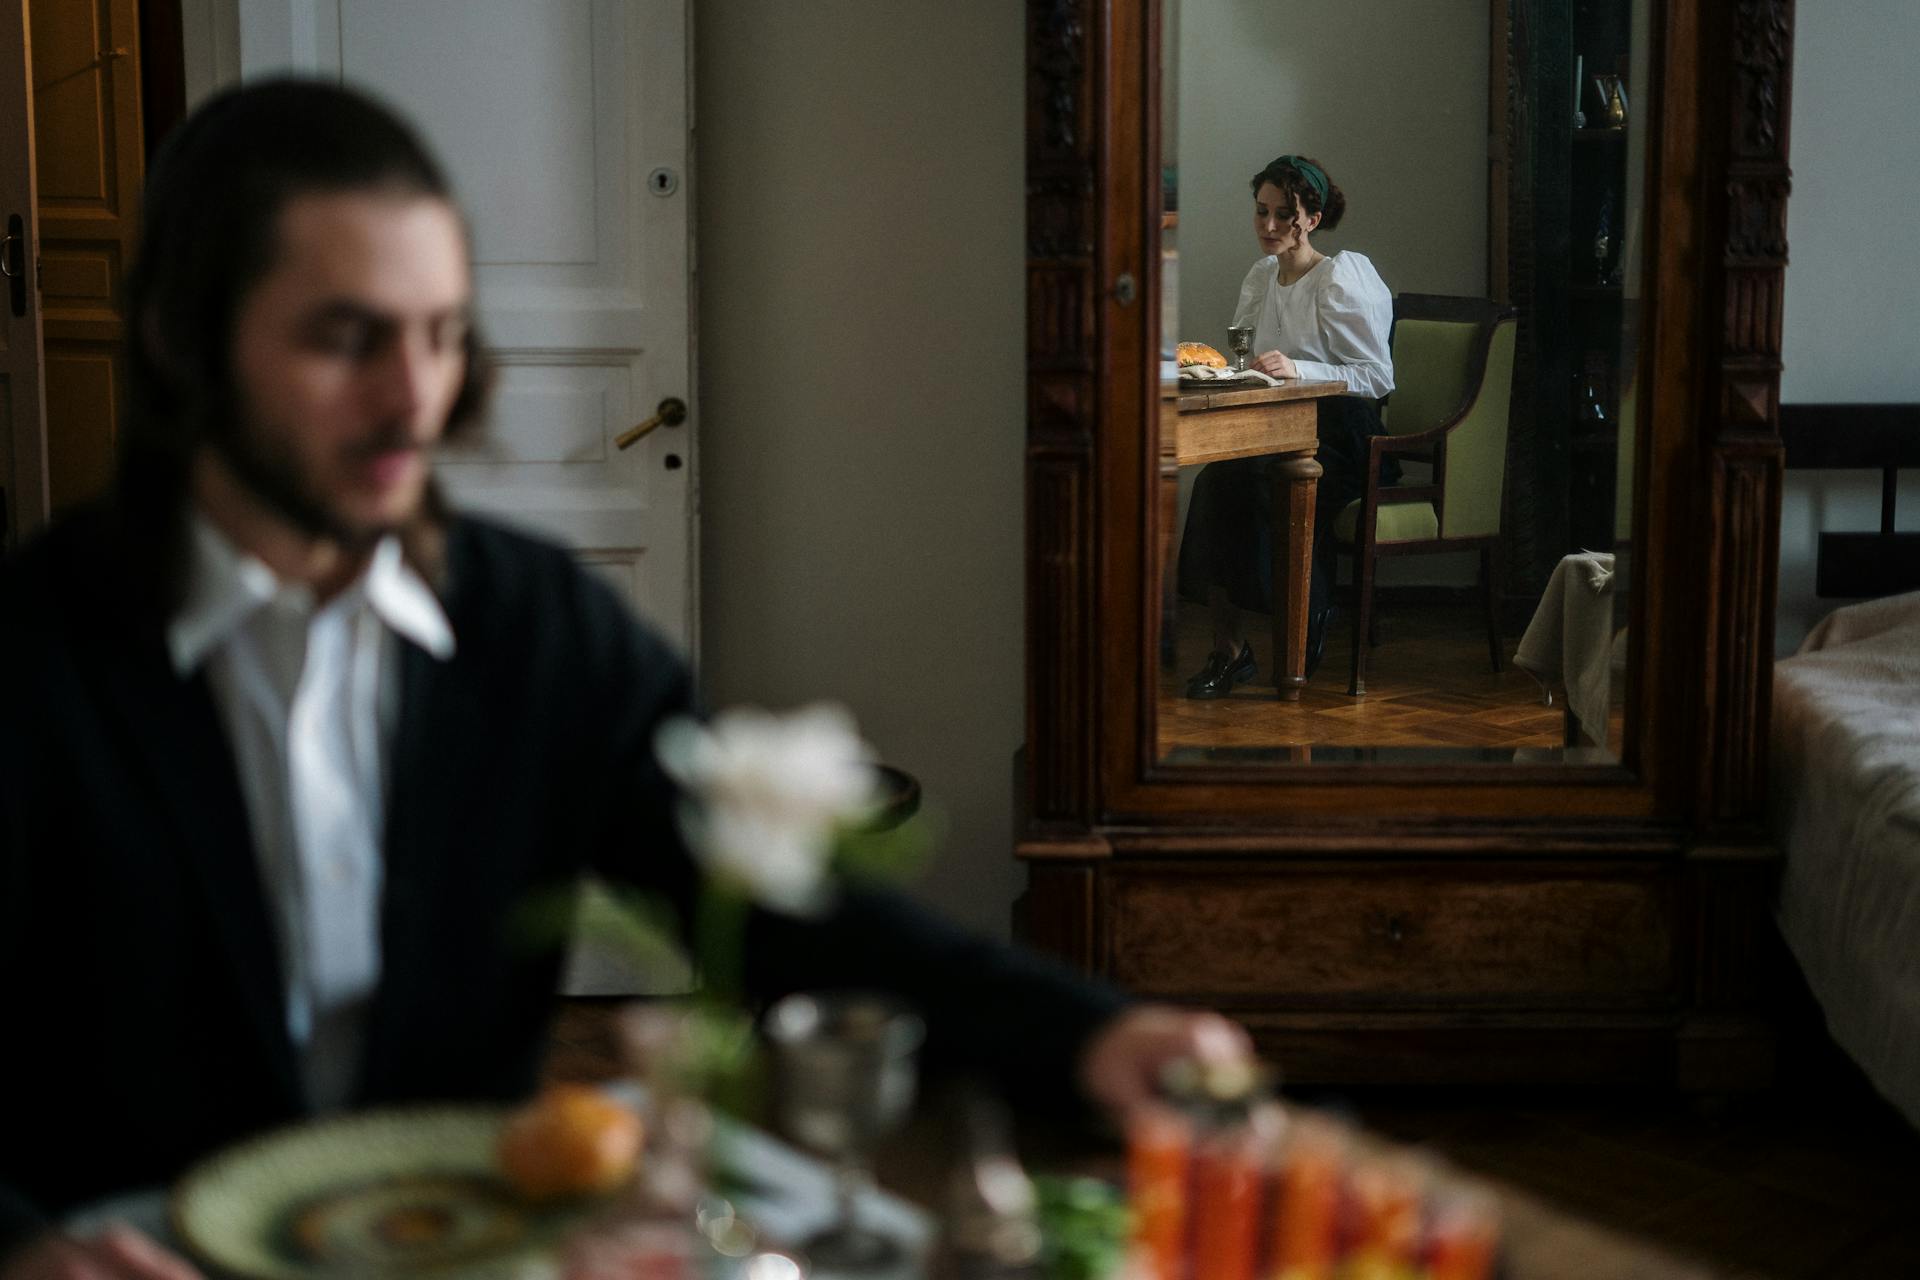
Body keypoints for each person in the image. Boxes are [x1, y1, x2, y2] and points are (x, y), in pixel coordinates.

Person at [0, 80, 1251, 1279]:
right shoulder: (30, 651)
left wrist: (1090, 1034)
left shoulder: (533, 626)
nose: (412, 399)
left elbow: (786, 901)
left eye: (441, 335)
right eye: (346, 339)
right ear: (181, 336)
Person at [1177, 154, 1395, 697]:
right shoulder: (1261, 276)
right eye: (1261, 213)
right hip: (1279, 423)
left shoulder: (1341, 278)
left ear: (1312, 219)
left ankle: (1306, 617)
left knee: (1270, 485)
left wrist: (1300, 367)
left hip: (1344, 430)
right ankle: (1230, 650)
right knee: (1214, 483)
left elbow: (1376, 376)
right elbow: (1251, 358)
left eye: (1285, 216)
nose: (1269, 227)